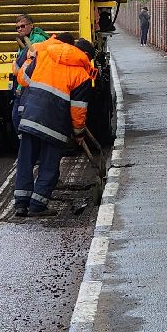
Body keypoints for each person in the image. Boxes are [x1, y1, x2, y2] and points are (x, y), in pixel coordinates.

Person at [13, 33, 97, 217]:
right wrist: (78, 132)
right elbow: (78, 109)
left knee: (26, 161)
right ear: (85, 55)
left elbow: (22, 80)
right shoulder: (82, 74)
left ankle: (21, 204)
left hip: (30, 114)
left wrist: (29, 61)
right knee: (49, 165)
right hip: (56, 123)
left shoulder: (44, 55)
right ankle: (37, 206)